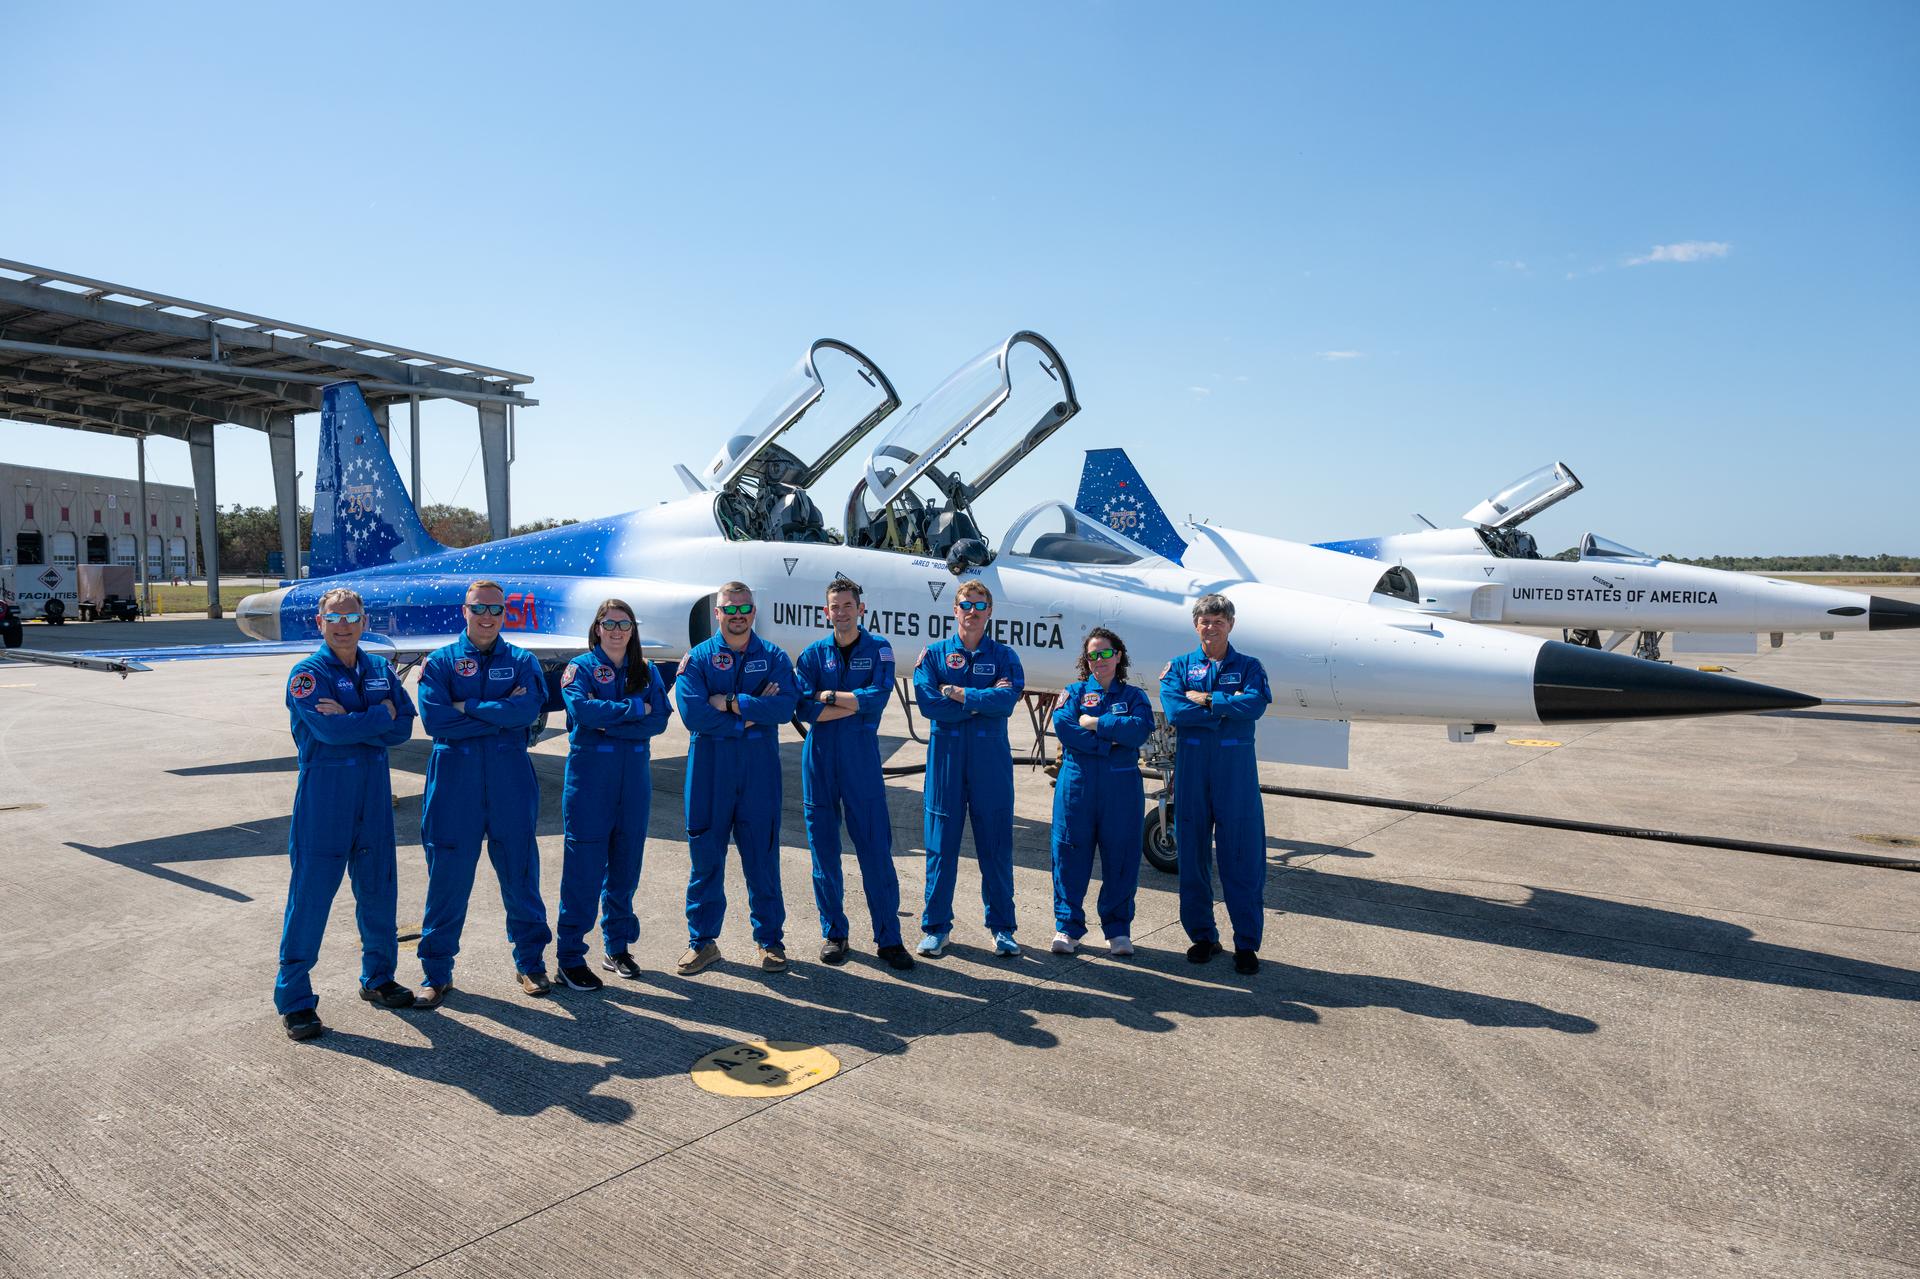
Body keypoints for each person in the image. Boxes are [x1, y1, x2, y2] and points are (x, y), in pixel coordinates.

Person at [275, 587, 418, 1041]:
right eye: (334, 618)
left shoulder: (378, 667)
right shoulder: (307, 674)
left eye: (351, 617)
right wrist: (377, 714)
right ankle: (295, 1000)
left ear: (363, 621)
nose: (343, 625)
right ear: (320, 623)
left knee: (378, 890)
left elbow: (404, 726)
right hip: (326, 797)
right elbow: (330, 732)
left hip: (374, 794)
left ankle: (378, 977)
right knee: (311, 898)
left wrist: (359, 716)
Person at [414, 579, 553, 1004]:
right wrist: (500, 712)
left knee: (520, 869)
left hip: (509, 772)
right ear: (465, 610)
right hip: (455, 775)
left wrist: (467, 707)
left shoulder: (523, 661)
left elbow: (529, 710)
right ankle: (436, 973)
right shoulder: (439, 663)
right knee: (448, 875)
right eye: (480, 609)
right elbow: (436, 721)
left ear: (505, 611)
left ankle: (531, 963)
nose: (488, 617)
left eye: (496, 609)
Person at [673, 582, 798, 974]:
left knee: (762, 856)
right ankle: (703, 942)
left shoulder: (774, 656)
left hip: (758, 770)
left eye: (744, 609)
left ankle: (770, 941)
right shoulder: (697, 659)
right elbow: (693, 714)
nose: (738, 616)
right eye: (730, 609)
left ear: (754, 611)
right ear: (717, 613)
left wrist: (731, 704)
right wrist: (750, 716)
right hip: (710, 768)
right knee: (706, 857)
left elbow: (784, 708)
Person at [793, 575, 914, 972]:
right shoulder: (812, 654)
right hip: (820, 758)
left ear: (861, 609)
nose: (841, 612)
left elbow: (876, 700)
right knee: (823, 852)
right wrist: (848, 703)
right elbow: (801, 707)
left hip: (860, 758)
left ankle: (889, 939)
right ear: (825, 611)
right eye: (835, 606)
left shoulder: (880, 649)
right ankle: (834, 934)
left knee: (875, 851)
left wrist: (827, 696)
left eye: (848, 605)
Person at [554, 599, 673, 991]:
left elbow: (660, 720)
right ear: (598, 627)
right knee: (584, 869)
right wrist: (635, 708)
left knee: (626, 866)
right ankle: (570, 956)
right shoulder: (581, 668)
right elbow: (584, 712)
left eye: (625, 623)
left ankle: (617, 947)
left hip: (634, 780)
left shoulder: (647, 670)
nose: (618, 630)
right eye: (610, 623)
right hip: (591, 780)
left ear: (632, 629)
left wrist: (614, 721)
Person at [1157, 593, 1274, 975]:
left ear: (1231, 625)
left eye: (1219, 621)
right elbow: (1175, 710)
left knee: (1241, 857)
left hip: (1235, 774)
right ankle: (1203, 937)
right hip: (1193, 772)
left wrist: (1207, 700)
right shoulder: (1178, 667)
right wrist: (1226, 708)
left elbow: (1254, 705)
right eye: (1205, 621)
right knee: (1191, 856)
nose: (1211, 627)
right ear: (1196, 626)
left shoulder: (1250, 666)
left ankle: (1246, 944)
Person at [911, 579, 1025, 958]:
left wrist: (960, 694)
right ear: (954, 610)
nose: (972, 612)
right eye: (965, 605)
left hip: (990, 761)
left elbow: (1007, 700)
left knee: (995, 846)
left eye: (979, 606)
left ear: (989, 611)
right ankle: (936, 927)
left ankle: (1002, 928)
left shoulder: (1006, 656)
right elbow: (928, 704)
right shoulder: (935, 655)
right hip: (946, 759)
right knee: (940, 846)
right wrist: (981, 702)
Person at [1048, 627, 1153, 957]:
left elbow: (1139, 731)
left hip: (1120, 786)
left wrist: (1095, 724)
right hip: (1077, 783)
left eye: (1105, 653)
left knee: (1121, 856)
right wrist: (1110, 742)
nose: (1099, 660)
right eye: (1093, 654)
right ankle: (1067, 928)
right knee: (1069, 853)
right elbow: (1065, 726)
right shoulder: (1074, 692)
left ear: (1118, 656)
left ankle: (1118, 929)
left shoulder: (1134, 697)